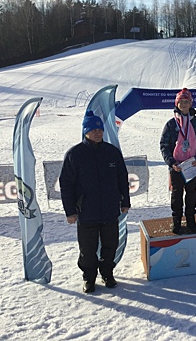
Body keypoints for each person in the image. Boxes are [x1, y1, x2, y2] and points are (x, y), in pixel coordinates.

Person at [59, 110, 130, 293]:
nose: (98, 133)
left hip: (109, 210)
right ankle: (89, 278)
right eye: (93, 130)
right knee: (88, 249)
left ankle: (107, 274)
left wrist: (125, 201)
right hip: (86, 212)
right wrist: (70, 211)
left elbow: (122, 178)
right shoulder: (75, 154)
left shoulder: (112, 152)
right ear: (85, 131)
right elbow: (66, 185)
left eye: (100, 129)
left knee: (110, 245)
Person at [160, 88, 196, 234]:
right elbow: (164, 145)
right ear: (177, 104)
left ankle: (190, 219)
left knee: (191, 194)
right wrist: (171, 163)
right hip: (177, 167)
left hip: (193, 166)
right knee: (176, 195)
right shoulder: (171, 124)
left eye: (186, 101)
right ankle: (176, 221)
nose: (184, 104)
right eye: (181, 102)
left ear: (190, 103)